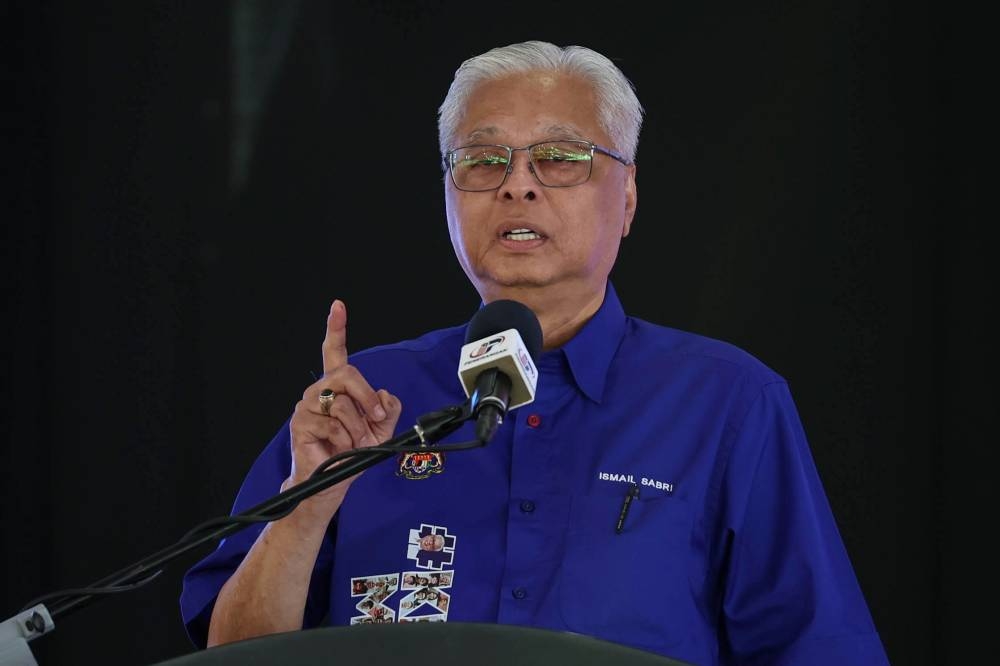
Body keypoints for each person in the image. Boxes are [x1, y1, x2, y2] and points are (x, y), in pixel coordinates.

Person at [180, 40, 890, 665]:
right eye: (484, 159)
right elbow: (234, 658)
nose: (518, 182)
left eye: (559, 157)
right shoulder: (366, 400)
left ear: (630, 197)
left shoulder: (726, 403)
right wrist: (306, 503)